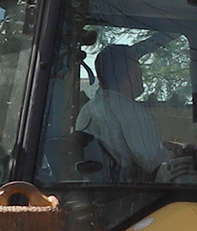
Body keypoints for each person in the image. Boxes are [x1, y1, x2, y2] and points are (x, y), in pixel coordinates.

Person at [74, 43, 172, 182]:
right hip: (132, 194)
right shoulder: (134, 115)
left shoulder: (87, 110)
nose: (141, 73)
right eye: (137, 68)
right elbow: (156, 165)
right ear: (129, 73)